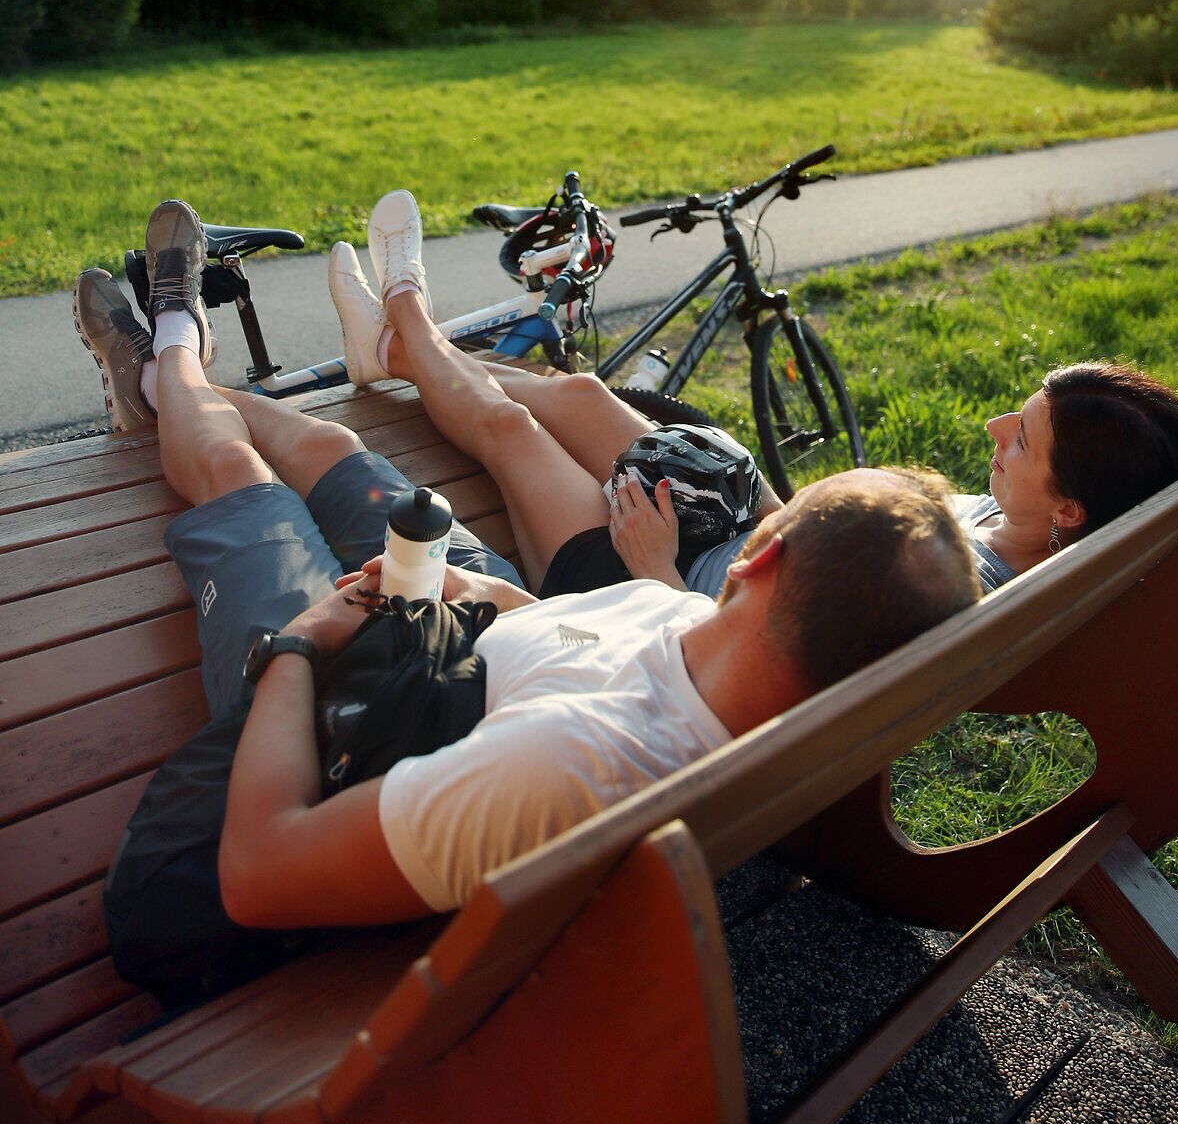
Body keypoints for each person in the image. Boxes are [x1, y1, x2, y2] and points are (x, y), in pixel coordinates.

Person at [73, 195, 981, 936]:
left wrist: (300, 645)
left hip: (339, 713)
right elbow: (562, 629)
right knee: (327, 441)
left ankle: (174, 343)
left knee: (237, 473)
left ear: (762, 552)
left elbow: (259, 877)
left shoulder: (575, 764)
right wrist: (474, 589)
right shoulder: (711, 642)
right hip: (449, 642)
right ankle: (163, 386)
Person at [321, 196, 1178, 600]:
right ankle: (400, 347)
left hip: (649, 582)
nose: (995, 425)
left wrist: (656, 569)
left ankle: (403, 310)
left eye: (1024, 440)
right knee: (583, 387)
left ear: (1072, 508)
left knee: (510, 426)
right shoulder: (994, 526)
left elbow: (760, 661)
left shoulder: (957, 591)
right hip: (722, 532)